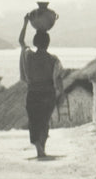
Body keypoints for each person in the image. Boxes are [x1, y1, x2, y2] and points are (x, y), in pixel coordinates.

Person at [19, 14, 64, 159]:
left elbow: (21, 41)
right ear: (48, 43)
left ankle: (39, 148)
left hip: (33, 94)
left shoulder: (29, 56)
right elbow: (58, 79)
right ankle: (41, 148)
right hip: (48, 95)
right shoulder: (53, 60)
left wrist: (25, 23)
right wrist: (61, 94)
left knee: (34, 122)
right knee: (44, 122)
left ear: (35, 42)